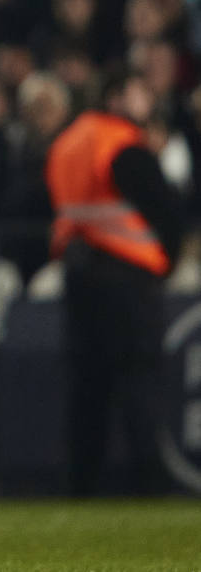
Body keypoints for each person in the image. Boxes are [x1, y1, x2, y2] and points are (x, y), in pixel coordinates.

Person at [45, 72, 180, 495]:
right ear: (116, 96)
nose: (148, 99)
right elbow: (166, 210)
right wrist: (166, 260)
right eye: (140, 91)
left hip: (79, 273)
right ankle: (150, 481)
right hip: (128, 277)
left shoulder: (69, 141)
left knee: (88, 384)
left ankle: (81, 483)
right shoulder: (123, 144)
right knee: (138, 377)